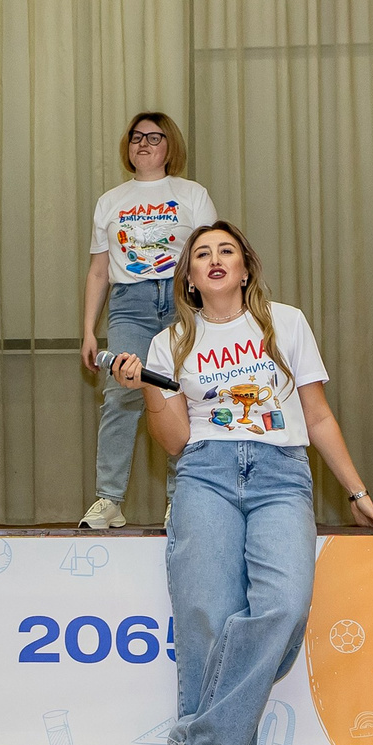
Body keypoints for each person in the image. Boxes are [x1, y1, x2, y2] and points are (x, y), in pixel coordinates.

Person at [111, 222, 373, 745]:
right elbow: (175, 442)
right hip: (204, 473)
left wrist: (356, 489)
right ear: (187, 277)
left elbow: (316, 416)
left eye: (226, 252)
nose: (214, 261)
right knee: (207, 623)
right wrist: (147, 392)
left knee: (284, 607)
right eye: (201, 255)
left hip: (280, 474)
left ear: (244, 269)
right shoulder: (169, 345)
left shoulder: (284, 324)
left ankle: (198, 743)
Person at [82, 112, 218, 530]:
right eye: (136, 137)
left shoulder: (192, 194)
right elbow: (99, 271)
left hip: (182, 301)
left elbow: (211, 256)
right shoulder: (111, 200)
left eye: (154, 137)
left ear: (169, 146)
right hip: (130, 304)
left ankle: (181, 500)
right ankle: (109, 499)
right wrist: (88, 329)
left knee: (183, 394)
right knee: (121, 395)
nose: (143, 143)